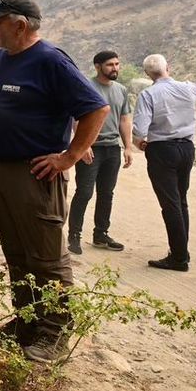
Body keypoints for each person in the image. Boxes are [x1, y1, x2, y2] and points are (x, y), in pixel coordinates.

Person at [0, 0, 108, 364]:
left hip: (35, 174)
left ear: (20, 25)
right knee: (17, 253)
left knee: (46, 257)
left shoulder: (50, 60)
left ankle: (55, 333)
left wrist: (70, 156)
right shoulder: (2, 57)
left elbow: (96, 108)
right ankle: (27, 323)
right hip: (2, 169)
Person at [131, 54, 196, 272]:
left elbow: (140, 129)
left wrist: (138, 142)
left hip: (162, 151)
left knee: (170, 204)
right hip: (187, 149)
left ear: (147, 74)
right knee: (181, 201)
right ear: (168, 68)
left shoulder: (148, 95)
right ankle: (180, 251)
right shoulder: (187, 88)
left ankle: (179, 258)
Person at [67, 50, 133, 255]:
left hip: (112, 148)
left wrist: (128, 147)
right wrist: (83, 145)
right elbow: (75, 118)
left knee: (106, 193)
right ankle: (74, 235)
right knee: (85, 192)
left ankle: (101, 234)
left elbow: (124, 119)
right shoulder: (86, 86)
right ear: (98, 66)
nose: (115, 68)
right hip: (91, 148)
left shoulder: (121, 90)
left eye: (117, 64)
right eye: (110, 65)